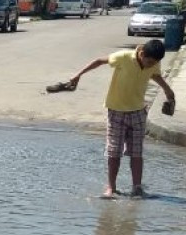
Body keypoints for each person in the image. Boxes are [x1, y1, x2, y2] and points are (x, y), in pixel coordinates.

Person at [70, 39, 175, 198]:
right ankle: (111, 187)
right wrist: (78, 75)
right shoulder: (124, 57)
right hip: (116, 112)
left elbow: (155, 75)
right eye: (149, 62)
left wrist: (168, 90)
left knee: (137, 152)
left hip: (138, 112)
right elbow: (99, 61)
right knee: (114, 151)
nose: (151, 65)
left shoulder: (154, 63)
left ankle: (137, 188)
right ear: (141, 54)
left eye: (154, 63)